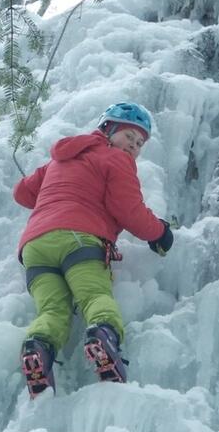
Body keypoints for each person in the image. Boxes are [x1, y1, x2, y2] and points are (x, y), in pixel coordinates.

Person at [13, 102, 174, 398]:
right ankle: (104, 336)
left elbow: (22, 192)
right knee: (94, 296)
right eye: (129, 136)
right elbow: (128, 209)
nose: (134, 146)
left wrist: (58, 189)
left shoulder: (61, 158)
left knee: (52, 309)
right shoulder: (116, 159)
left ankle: (38, 349)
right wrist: (160, 233)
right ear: (108, 130)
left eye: (140, 143)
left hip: (35, 247)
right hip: (80, 240)